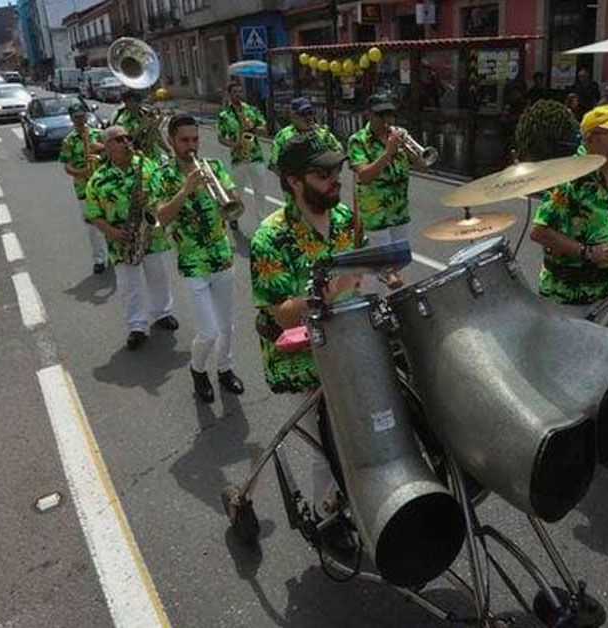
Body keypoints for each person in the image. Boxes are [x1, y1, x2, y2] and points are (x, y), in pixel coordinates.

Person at [249, 136, 364, 547]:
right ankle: (326, 517)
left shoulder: (346, 216)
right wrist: (334, 289)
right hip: (297, 354)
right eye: (323, 174)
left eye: (336, 171)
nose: (335, 180)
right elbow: (281, 312)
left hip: (346, 339)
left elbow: (358, 267)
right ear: (295, 182)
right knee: (330, 441)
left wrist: (380, 272)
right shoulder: (270, 238)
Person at [152, 115, 245, 402]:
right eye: (184, 140)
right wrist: (186, 189)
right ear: (171, 141)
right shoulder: (162, 175)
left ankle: (225, 368)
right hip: (193, 263)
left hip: (222, 256)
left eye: (195, 139)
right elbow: (162, 217)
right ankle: (198, 369)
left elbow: (233, 201)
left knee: (227, 323)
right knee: (208, 331)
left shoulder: (213, 167)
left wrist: (224, 192)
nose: (191, 146)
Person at [529, 105, 608, 318]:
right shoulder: (569, 179)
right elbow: (539, 232)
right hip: (568, 298)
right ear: (589, 139)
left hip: (603, 290)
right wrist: (588, 252)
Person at [85, 125, 179, 350]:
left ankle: (162, 312)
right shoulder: (97, 180)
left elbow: (165, 191)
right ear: (107, 147)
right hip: (123, 241)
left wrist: (151, 198)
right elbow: (93, 215)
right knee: (129, 286)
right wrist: (113, 233)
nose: (126, 142)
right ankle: (137, 326)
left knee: (160, 277)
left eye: (128, 137)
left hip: (153, 235)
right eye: (119, 139)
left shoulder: (147, 165)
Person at [347, 94, 428, 286]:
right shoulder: (357, 140)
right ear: (368, 115)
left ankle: (394, 303)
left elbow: (423, 166)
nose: (387, 120)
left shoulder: (400, 134)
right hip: (376, 212)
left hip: (399, 209)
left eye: (390, 114)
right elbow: (365, 176)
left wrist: (411, 152)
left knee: (397, 264)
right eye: (381, 114)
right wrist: (388, 153)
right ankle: (382, 306)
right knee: (383, 270)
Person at [58, 102, 109, 274]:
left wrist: (102, 149)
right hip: (84, 188)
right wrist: (82, 172)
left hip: (104, 185)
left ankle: (116, 256)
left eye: (82, 116)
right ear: (71, 119)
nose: (80, 120)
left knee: (112, 220)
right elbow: (67, 166)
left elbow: (112, 154)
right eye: (76, 117)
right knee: (92, 227)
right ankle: (99, 259)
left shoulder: (99, 135)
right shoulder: (69, 141)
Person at [217, 81, 268, 229]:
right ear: (229, 94)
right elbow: (220, 138)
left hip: (255, 156)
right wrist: (234, 145)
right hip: (238, 158)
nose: (238, 94)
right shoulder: (224, 115)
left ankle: (262, 221)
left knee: (261, 191)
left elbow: (264, 130)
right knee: (237, 191)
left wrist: (252, 127)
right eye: (235, 92)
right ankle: (234, 217)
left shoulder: (251, 110)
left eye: (240, 91)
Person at [269, 96, 342, 173]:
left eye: (310, 113)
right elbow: (274, 164)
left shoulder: (323, 133)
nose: (308, 117)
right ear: (293, 116)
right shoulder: (284, 136)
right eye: (303, 114)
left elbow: (338, 152)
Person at [110, 90, 164, 161]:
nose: (134, 104)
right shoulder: (121, 119)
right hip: (135, 156)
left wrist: (167, 149)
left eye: (136, 101)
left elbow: (157, 135)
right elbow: (124, 141)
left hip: (153, 155)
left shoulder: (144, 113)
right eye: (130, 101)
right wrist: (141, 127)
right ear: (126, 103)